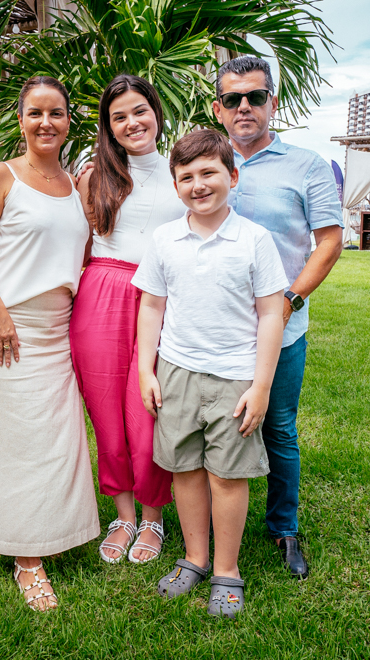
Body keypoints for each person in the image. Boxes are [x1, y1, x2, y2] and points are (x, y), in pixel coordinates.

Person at [0, 76, 100, 611]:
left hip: (59, 327)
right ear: (21, 121)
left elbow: (82, 254)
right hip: (10, 326)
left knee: (58, 439)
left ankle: (54, 529)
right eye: (36, 113)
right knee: (15, 441)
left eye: (56, 113)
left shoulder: (75, 185)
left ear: (68, 121)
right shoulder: (3, 175)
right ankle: (26, 559)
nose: (46, 122)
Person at [132, 129, 288, 617]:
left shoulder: (255, 240)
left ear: (232, 177)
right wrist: (146, 369)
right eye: (186, 177)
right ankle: (195, 558)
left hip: (234, 377)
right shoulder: (165, 239)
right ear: (176, 185)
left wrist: (261, 386)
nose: (198, 185)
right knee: (184, 469)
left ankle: (227, 569)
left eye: (208, 173)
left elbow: (271, 314)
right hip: (176, 372)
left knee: (226, 475)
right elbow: (152, 306)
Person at [212, 56, 343, 579]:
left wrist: (290, 298)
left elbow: (329, 242)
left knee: (279, 428)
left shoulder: (307, 165)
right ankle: (213, 523)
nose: (244, 107)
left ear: (273, 101)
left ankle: (283, 527)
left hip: (283, 326)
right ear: (218, 108)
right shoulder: (207, 159)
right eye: (233, 98)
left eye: (255, 96)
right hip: (217, 329)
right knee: (214, 424)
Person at [69, 74, 187, 565]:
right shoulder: (92, 176)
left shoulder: (181, 171)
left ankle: (153, 516)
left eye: (139, 110)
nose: (132, 122)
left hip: (158, 297)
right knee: (105, 413)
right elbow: (76, 244)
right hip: (100, 292)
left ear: (156, 111)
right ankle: (122, 515)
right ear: (109, 126)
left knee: (149, 412)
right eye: (119, 116)